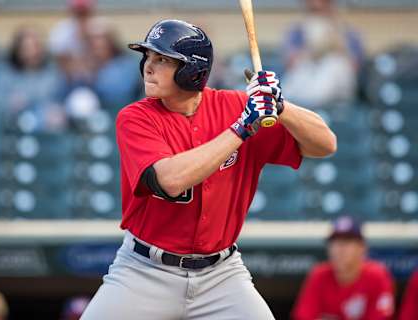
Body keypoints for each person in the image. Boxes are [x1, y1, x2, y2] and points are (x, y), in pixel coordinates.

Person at [81, 19, 336, 320]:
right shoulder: (135, 117)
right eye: (148, 57)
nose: (148, 66)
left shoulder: (235, 106)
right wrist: (241, 128)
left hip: (221, 274)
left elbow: (325, 144)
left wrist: (281, 106)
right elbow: (170, 180)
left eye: (162, 59)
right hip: (144, 271)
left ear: (193, 70)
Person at [292, 215, 395, 320]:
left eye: (346, 242)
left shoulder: (376, 276)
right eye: (335, 242)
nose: (339, 249)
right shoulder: (319, 275)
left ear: (362, 247)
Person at [0, 25, 65, 132]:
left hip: (44, 123)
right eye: (26, 48)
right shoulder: (6, 70)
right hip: (12, 122)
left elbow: (58, 97)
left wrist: (53, 108)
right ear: (18, 50)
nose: (32, 53)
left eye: (35, 47)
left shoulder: (52, 70)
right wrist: (9, 102)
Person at [283, 0, 364, 71]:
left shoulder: (347, 32)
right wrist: (310, 52)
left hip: (336, 76)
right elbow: (290, 65)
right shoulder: (297, 31)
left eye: (322, 7)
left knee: (335, 64)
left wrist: (338, 47)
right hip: (306, 76)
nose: (318, 14)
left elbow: (355, 68)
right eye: (313, 10)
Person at [86, 17, 143, 111]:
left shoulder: (127, 62)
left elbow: (120, 92)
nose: (96, 43)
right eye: (92, 39)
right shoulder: (83, 63)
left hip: (124, 111)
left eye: (100, 38)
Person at [48, 0, 95, 83]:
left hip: (94, 80)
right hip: (66, 81)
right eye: (77, 11)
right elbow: (61, 64)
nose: (80, 15)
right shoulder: (60, 31)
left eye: (84, 11)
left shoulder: (98, 29)